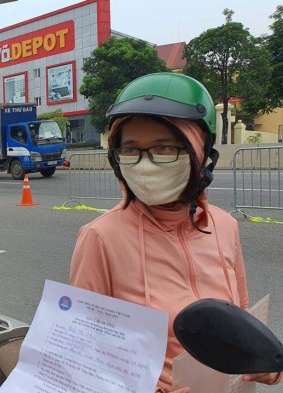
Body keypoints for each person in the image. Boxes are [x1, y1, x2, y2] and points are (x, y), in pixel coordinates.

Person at [68, 73, 282, 392]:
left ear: (200, 153)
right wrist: (139, 384)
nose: (145, 164)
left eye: (164, 148)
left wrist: (268, 367)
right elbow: (79, 350)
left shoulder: (225, 226)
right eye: (130, 150)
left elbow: (240, 322)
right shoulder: (100, 237)